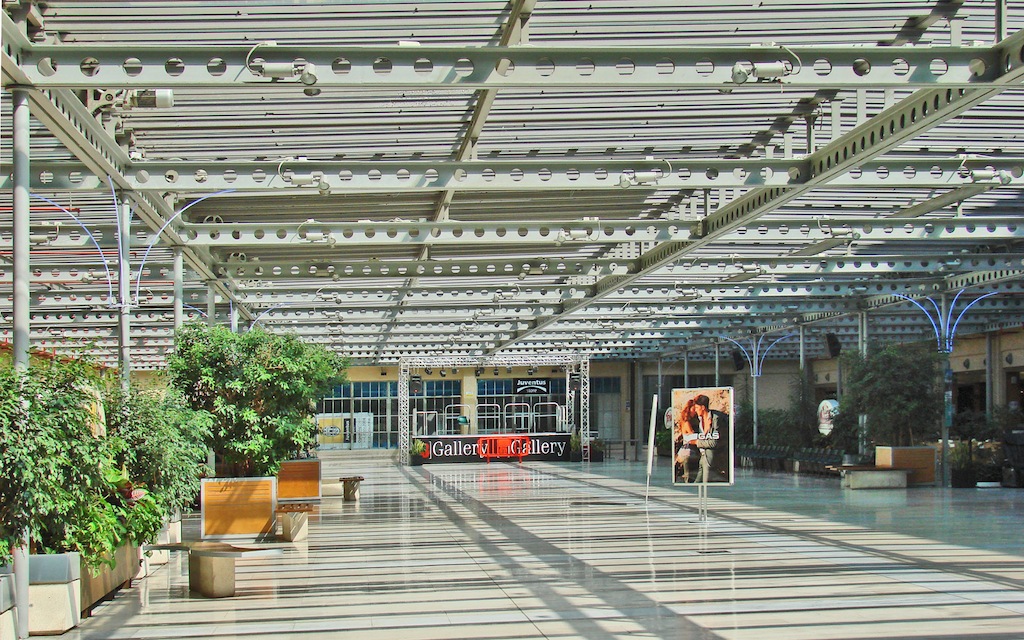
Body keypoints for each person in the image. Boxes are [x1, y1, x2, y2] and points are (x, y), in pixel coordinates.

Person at [691, 394, 726, 483]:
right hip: (703, 454)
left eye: (696, 408)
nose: (695, 410)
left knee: (706, 481)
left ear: (703, 407)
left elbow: (714, 442)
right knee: (698, 480)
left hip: (712, 456)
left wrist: (696, 442)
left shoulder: (715, 419)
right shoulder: (700, 419)